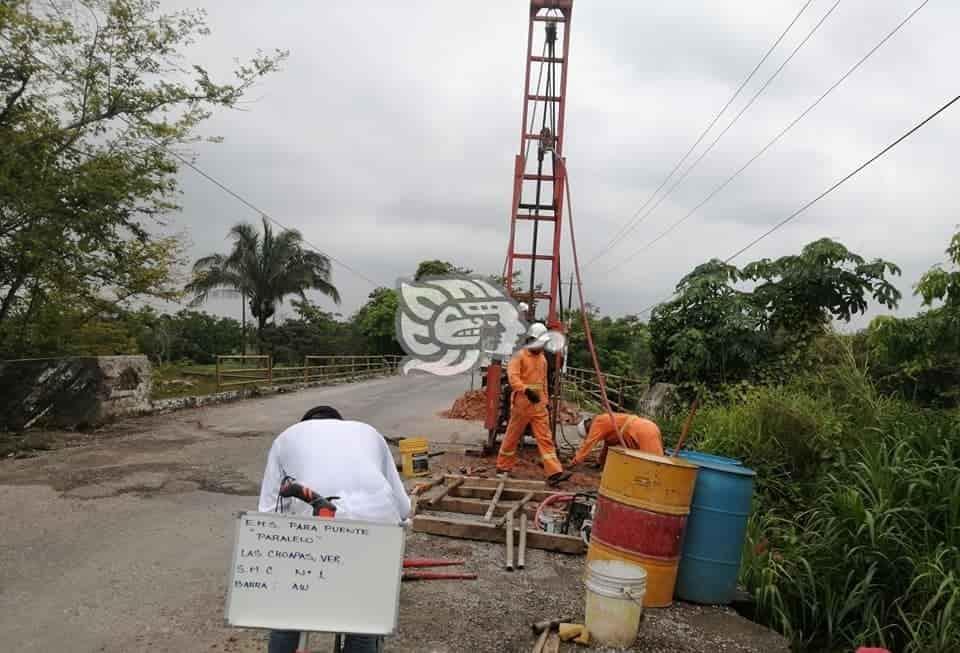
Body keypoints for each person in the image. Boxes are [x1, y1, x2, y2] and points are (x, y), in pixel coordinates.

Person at [258, 405, 409, 653]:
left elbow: (268, 513)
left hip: (316, 523)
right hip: (376, 526)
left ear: (304, 423)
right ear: (340, 422)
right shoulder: (369, 433)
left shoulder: (286, 437)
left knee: (287, 613)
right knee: (363, 616)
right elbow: (403, 508)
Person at [496, 323, 572, 485]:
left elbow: (543, 382)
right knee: (512, 436)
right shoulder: (519, 356)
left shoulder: (542, 359)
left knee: (545, 438)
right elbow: (513, 378)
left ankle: (554, 473)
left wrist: (546, 401)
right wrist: (526, 390)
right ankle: (503, 467)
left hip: (538, 405)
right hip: (522, 404)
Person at [569, 411, 664, 467]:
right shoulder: (607, 430)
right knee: (643, 464)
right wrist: (600, 463)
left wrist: (574, 462)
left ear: (587, 428)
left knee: (654, 464)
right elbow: (607, 447)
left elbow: (588, 444)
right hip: (641, 430)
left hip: (644, 430)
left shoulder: (597, 422)